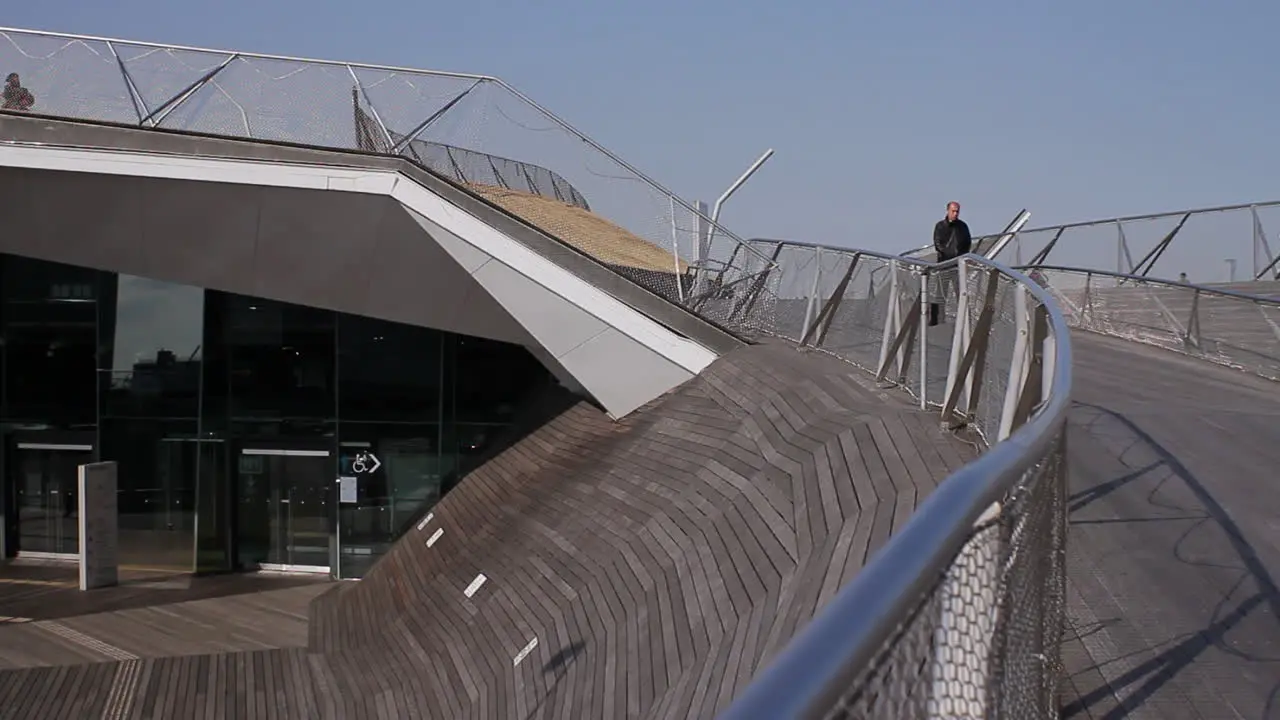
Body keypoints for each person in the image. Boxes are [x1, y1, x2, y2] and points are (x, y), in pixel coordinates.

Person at [929, 201, 971, 326]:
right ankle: (936, 320)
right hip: (944, 265)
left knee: (961, 292)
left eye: (957, 211)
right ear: (947, 211)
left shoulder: (962, 226)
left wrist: (961, 257)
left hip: (958, 266)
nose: (955, 213)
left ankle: (964, 320)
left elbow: (967, 243)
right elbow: (938, 244)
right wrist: (948, 256)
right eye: (953, 211)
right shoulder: (940, 226)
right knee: (939, 293)